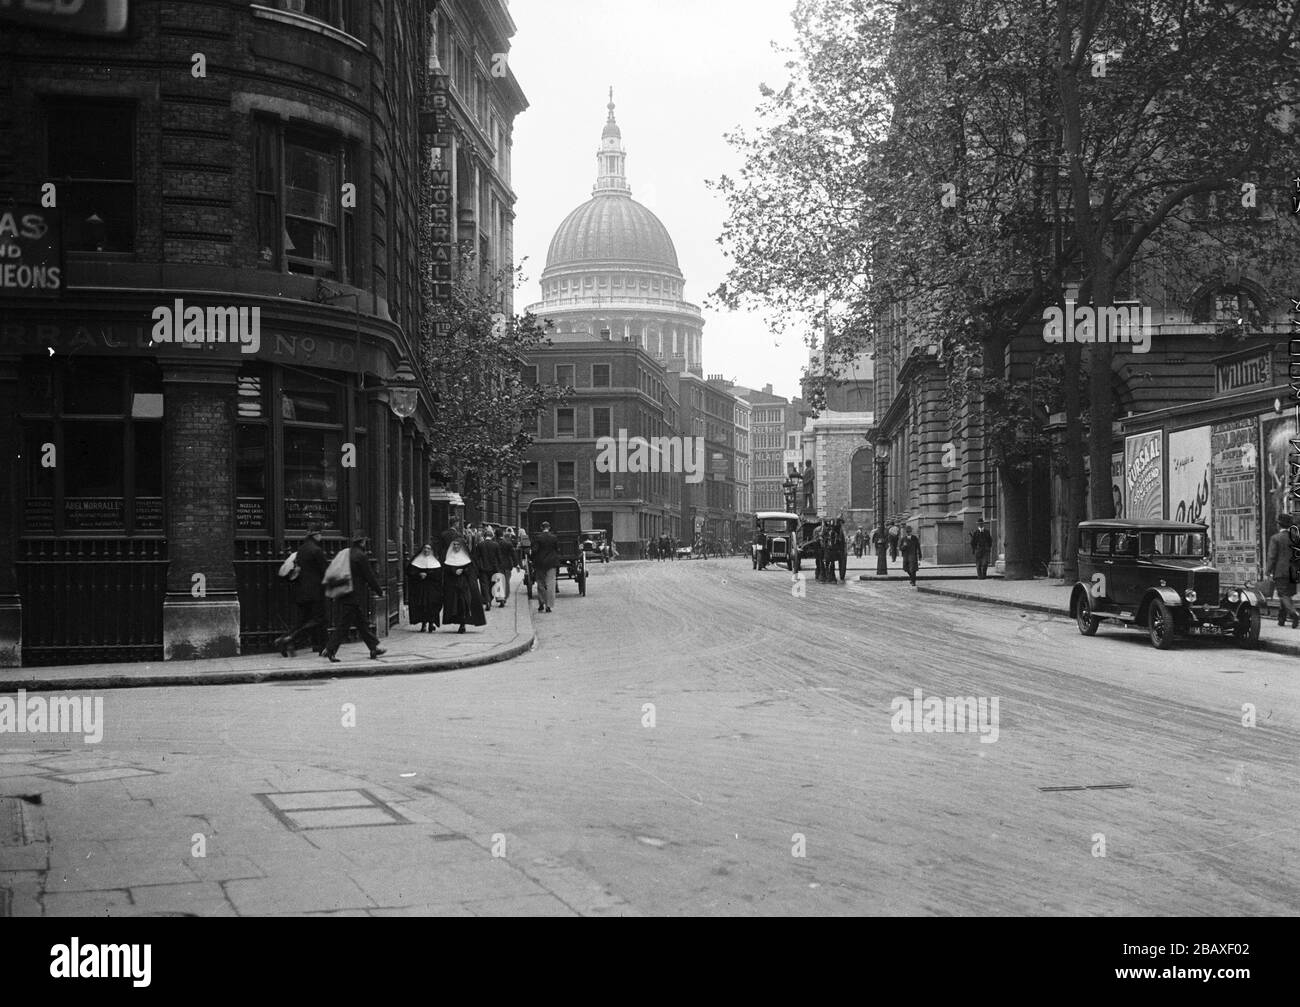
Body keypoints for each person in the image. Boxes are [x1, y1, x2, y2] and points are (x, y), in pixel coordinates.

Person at [322, 533, 386, 662]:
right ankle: (330, 649)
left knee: (361, 623)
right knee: (344, 625)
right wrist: (379, 591)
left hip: (344, 592)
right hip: (354, 595)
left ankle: (373, 648)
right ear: (362, 542)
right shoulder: (360, 556)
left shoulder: (346, 553)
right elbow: (369, 576)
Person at [276, 524, 328, 657]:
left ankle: (320, 646)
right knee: (319, 619)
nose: (321, 537)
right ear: (316, 535)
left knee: (304, 620)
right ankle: (289, 639)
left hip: (301, 591)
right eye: (320, 534)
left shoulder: (301, 550)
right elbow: (325, 570)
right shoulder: (316, 550)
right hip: (315, 592)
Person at [441, 540, 487, 633]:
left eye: (458, 545)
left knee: (463, 603)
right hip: (452, 585)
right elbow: (445, 570)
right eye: (454, 544)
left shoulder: (467, 557)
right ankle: (459, 622)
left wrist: (464, 571)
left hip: (464, 584)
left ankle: (463, 624)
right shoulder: (448, 557)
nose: (456, 546)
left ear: (461, 546)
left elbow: (472, 570)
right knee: (455, 605)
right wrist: (454, 571)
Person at [1264, 513, 1300, 629]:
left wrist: (1267, 571)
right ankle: (1281, 619)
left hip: (1281, 572)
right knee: (1287, 595)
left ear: (1279, 525)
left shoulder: (1275, 538)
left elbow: (1272, 557)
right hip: (1293, 571)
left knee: (1283, 594)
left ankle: (1294, 614)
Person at [406, 544, 442, 632]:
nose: (426, 550)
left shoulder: (435, 562)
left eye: (429, 548)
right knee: (422, 605)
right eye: (425, 548)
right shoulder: (416, 561)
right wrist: (419, 574)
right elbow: (410, 572)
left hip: (432, 588)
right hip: (420, 587)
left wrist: (428, 575)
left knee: (431, 605)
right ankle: (423, 624)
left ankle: (431, 623)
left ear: (431, 551)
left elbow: (439, 575)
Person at [531, 520, 561, 613]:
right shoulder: (554, 538)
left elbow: (535, 550)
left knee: (540, 583)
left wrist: (532, 559)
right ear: (549, 528)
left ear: (541, 528)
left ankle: (541, 603)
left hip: (540, 564)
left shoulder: (538, 538)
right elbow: (557, 549)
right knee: (551, 584)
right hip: (551, 563)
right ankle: (549, 606)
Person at [473, 526, 500, 613]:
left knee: (484, 585)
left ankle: (487, 601)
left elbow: (476, 557)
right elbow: (498, 557)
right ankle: (490, 599)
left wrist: (478, 566)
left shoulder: (480, 545)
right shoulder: (496, 545)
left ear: (484, 536)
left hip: (483, 568)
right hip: (493, 568)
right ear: (492, 536)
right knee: (492, 584)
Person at [831, 518, 848, 583]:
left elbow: (843, 540)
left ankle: (841, 575)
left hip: (840, 547)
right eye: (839, 522)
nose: (840, 524)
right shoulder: (834, 529)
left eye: (840, 522)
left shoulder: (842, 531)